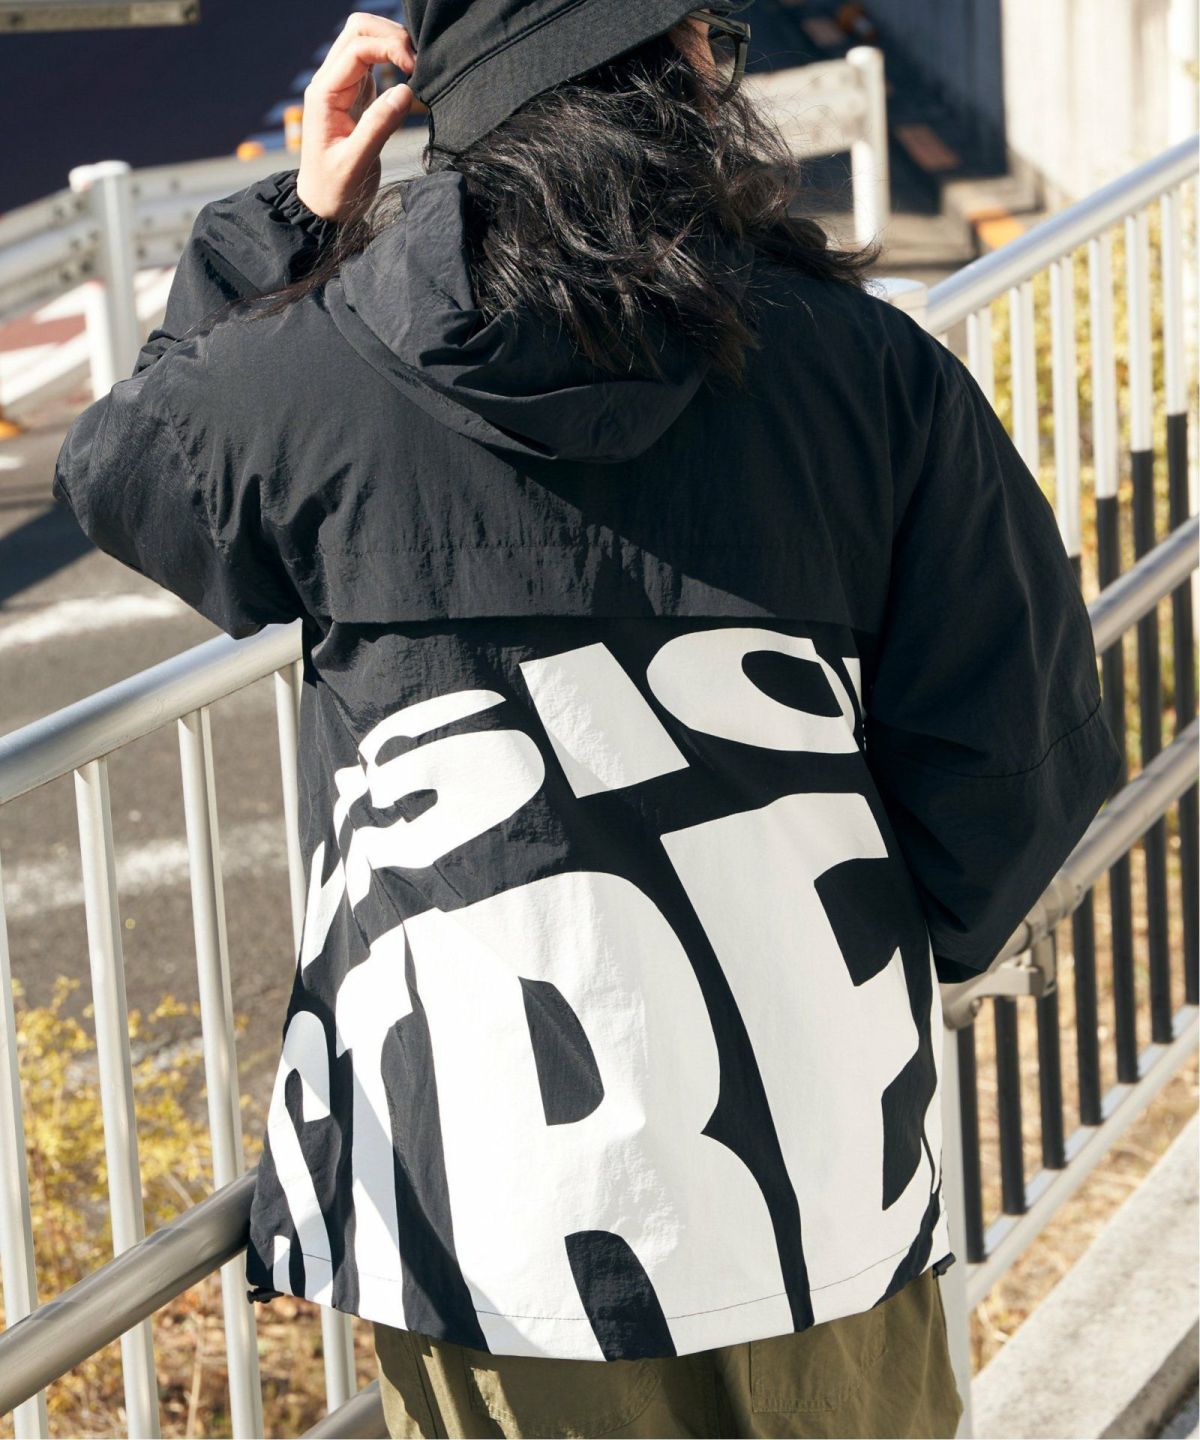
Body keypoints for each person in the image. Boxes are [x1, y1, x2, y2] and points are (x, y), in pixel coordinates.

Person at [52, 3, 1123, 1436]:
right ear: (686, 63)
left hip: (486, 1228)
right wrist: (848, 972)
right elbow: (1012, 763)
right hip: (818, 1182)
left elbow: (128, 467)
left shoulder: (315, 374)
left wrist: (297, 218)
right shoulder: (869, 371)